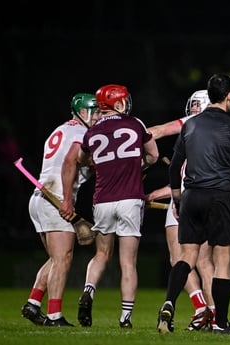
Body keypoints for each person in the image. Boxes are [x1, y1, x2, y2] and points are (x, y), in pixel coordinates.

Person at [156, 74, 230, 335]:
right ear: (228, 96)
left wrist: (178, 200)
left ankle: (169, 304)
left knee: (186, 257)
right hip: (220, 197)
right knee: (222, 260)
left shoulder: (190, 126)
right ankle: (221, 323)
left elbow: (174, 170)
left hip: (191, 196)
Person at [60, 84, 159, 329]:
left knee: (102, 254)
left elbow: (83, 159)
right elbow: (154, 156)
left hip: (102, 200)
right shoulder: (135, 123)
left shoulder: (92, 132)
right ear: (118, 103)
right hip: (130, 199)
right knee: (128, 262)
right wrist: (138, 167)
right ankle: (125, 318)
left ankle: (88, 290)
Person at [21, 93, 99, 327]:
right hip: (54, 199)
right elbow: (72, 162)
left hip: (41, 198)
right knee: (63, 258)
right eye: (93, 112)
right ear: (82, 112)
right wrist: (67, 201)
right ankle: (55, 316)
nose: (97, 117)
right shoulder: (81, 134)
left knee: (57, 258)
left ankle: (33, 304)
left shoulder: (62, 129)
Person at [146, 90, 215, 331]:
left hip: (184, 201)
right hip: (209, 198)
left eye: (197, 105)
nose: (193, 110)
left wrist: (132, 138)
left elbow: (159, 131)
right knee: (205, 262)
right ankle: (210, 313)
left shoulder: (191, 123)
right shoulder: (223, 128)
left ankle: (200, 308)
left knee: (180, 259)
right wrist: (157, 193)